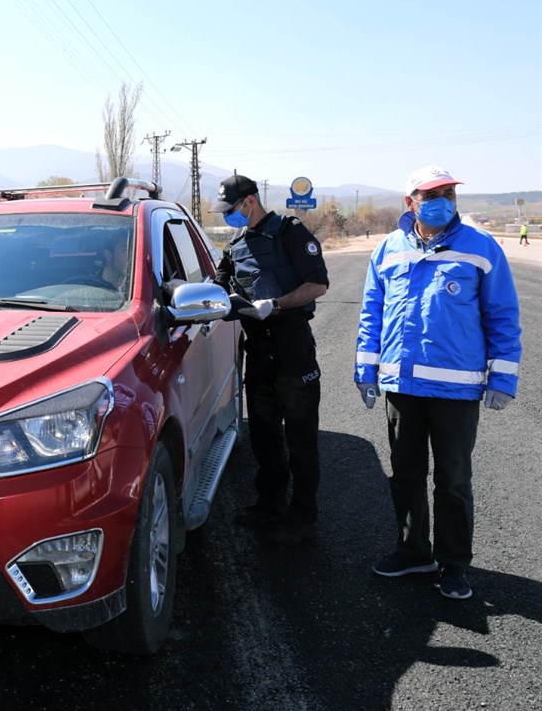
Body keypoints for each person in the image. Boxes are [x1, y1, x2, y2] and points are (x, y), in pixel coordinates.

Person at [356, 165, 521, 600]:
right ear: (409, 202)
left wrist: (502, 377)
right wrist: (366, 370)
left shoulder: (481, 248)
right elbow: (372, 312)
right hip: (402, 385)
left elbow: (503, 315)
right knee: (405, 474)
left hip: (456, 389)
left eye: (448, 192)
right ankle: (413, 552)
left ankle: (453, 564)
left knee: (452, 479)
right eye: (431, 194)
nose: (442, 200)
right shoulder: (388, 250)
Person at [212, 174, 330, 546]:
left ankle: (303, 517)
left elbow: (319, 284)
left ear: (250, 201)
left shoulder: (290, 233)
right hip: (258, 349)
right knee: (264, 436)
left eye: (231, 209)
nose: (229, 216)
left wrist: (275, 304)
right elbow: (217, 285)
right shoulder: (236, 245)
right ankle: (270, 505)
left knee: (300, 439)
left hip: (292, 346)